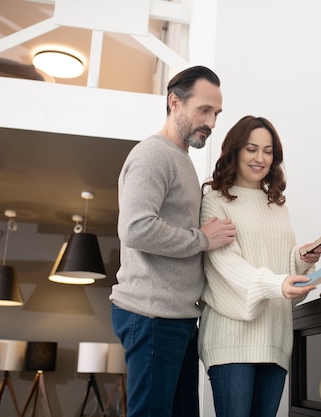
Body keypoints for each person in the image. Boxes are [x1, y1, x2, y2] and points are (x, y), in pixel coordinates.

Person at [109, 65, 237, 417]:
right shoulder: (153, 155)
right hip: (151, 313)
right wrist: (201, 239)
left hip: (176, 316)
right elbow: (135, 228)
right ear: (174, 103)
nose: (211, 122)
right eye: (204, 110)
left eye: (216, 114)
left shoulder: (181, 159)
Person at [198, 115, 321, 417]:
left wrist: (302, 257)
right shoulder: (215, 201)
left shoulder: (276, 203)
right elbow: (225, 265)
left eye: (268, 151)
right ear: (235, 151)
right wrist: (277, 284)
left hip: (275, 336)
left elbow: (278, 258)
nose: (260, 158)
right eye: (252, 149)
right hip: (232, 337)